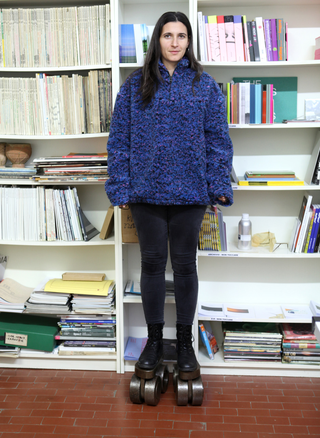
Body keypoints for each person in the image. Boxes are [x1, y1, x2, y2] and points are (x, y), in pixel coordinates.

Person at [105, 11, 233, 373]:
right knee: (151, 265)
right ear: (156, 41)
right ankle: (155, 342)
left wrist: (218, 184)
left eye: (181, 36)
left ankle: (186, 344)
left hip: (192, 192)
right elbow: (119, 142)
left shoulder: (204, 85)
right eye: (167, 36)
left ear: (189, 41)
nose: (175, 43)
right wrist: (120, 186)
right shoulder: (133, 85)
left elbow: (218, 140)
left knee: (184, 267)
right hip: (145, 192)